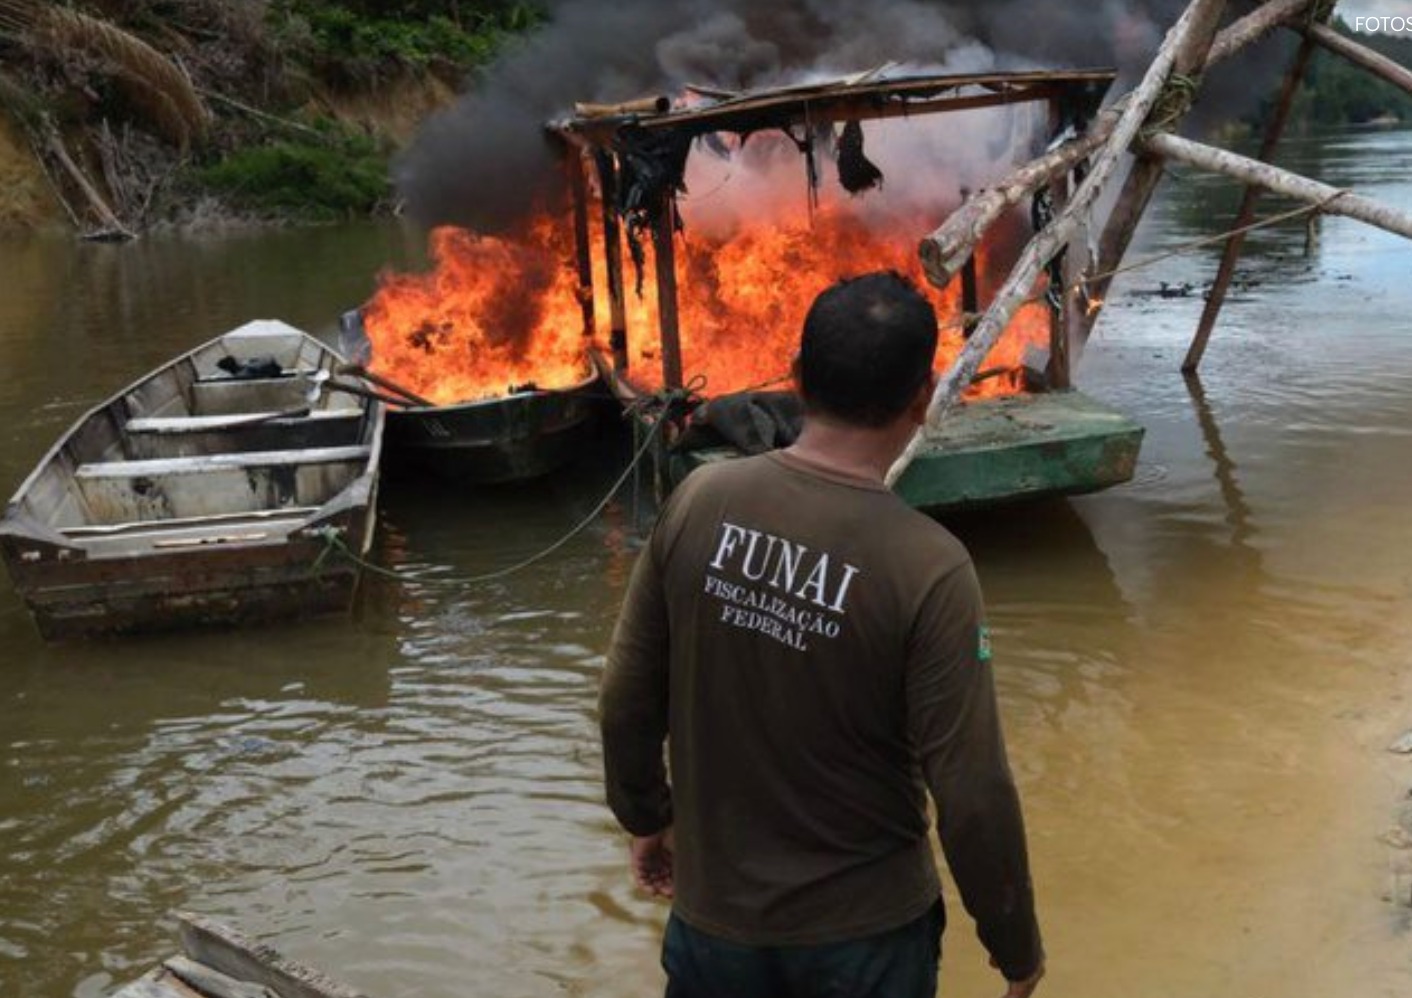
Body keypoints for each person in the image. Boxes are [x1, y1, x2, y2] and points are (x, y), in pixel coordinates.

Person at [599, 271, 1044, 998]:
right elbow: (972, 792)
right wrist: (1014, 942)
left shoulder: (699, 502)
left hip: (717, 931)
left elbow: (625, 698)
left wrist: (646, 814)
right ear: (922, 398)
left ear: (798, 379)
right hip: (865, 946)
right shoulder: (930, 567)